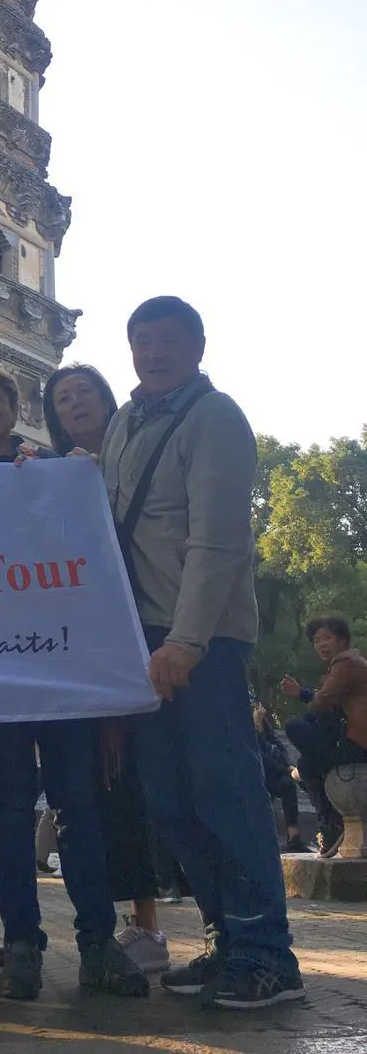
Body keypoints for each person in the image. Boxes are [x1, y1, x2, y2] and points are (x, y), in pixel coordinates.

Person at [102, 296, 303, 1009]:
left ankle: (266, 956)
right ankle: (227, 939)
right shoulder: (125, 421)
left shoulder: (216, 419)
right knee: (172, 802)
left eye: (167, 341)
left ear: (197, 346)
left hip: (203, 641)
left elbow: (217, 542)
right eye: (142, 341)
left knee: (227, 795)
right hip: (143, 641)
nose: (153, 353)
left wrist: (187, 641)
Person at [0, 362, 147, 1003]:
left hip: (58, 665)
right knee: (10, 812)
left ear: (15, 407)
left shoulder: (51, 470)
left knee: (76, 806)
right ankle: (23, 947)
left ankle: (96, 942)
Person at [44, 364, 171, 975]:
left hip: (147, 635)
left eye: (84, 393)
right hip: (81, 652)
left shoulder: (135, 460)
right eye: (62, 397)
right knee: (103, 790)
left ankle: (172, 921)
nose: (74, 404)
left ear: (106, 399)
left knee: (154, 782)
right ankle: (133, 926)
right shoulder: (49, 474)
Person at [283, 614, 367, 856]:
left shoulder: (346, 663)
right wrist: (305, 696)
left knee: (293, 726)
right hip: (351, 740)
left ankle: (330, 823)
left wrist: (304, 696)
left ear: (342, 640)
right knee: (306, 763)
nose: (321, 644)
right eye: (316, 640)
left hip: (357, 745)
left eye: (327, 638)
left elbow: (322, 702)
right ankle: (330, 825)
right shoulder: (348, 664)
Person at [252, 706, 307, 853]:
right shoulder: (246, 731)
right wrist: (287, 770)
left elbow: (281, 752)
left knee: (287, 784)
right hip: (253, 775)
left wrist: (286, 768)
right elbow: (254, 754)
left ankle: (294, 837)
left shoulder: (269, 734)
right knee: (289, 778)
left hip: (274, 775)